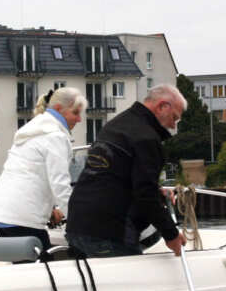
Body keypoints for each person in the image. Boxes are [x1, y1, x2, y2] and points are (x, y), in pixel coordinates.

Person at [66, 84, 188, 258]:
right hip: (109, 230)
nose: (173, 126)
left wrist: (155, 190)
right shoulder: (147, 138)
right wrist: (171, 235)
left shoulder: (116, 124)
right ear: (162, 106)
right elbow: (145, 194)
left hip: (77, 223)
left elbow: (116, 175)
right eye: (174, 118)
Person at [0, 87, 87, 253]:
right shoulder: (56, 136)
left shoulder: (33, 130)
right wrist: (80, 222)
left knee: (26, 269)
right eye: (75, 113)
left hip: (1, 214)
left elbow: (30, 174)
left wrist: (52, 210)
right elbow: (60, 185)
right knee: (46, 271)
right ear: (60, 109)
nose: (79, 119)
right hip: (22, 219)